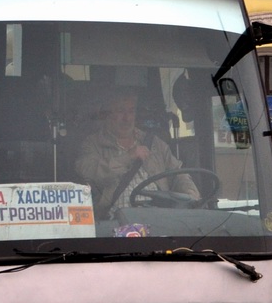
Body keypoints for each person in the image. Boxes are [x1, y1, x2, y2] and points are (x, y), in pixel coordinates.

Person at [74, 87, 199, 216]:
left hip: (159, 220)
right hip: (115, 224)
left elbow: (179, 175)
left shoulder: (155, 144)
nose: (127, 118)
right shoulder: (92, 144)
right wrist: (128, 157)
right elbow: (89, 174)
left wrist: (193, 199)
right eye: (120, 111)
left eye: (131, 111)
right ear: (107, 114)